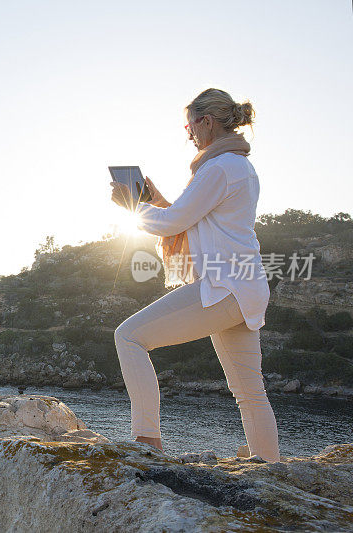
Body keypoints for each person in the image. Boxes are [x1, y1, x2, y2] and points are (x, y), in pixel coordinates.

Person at [109, 88, 280, 462]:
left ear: (207, 121)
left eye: (189, 124)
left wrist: (132, 207)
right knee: (250, 392)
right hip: (243, 285)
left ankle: (147, 441)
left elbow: (175, 221)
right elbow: (189, 218)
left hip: (224, 285)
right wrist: (154, 200)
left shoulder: (218, 167)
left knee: (129, 337)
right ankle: (271, 469)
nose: (188, 133)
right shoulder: (236, 166)